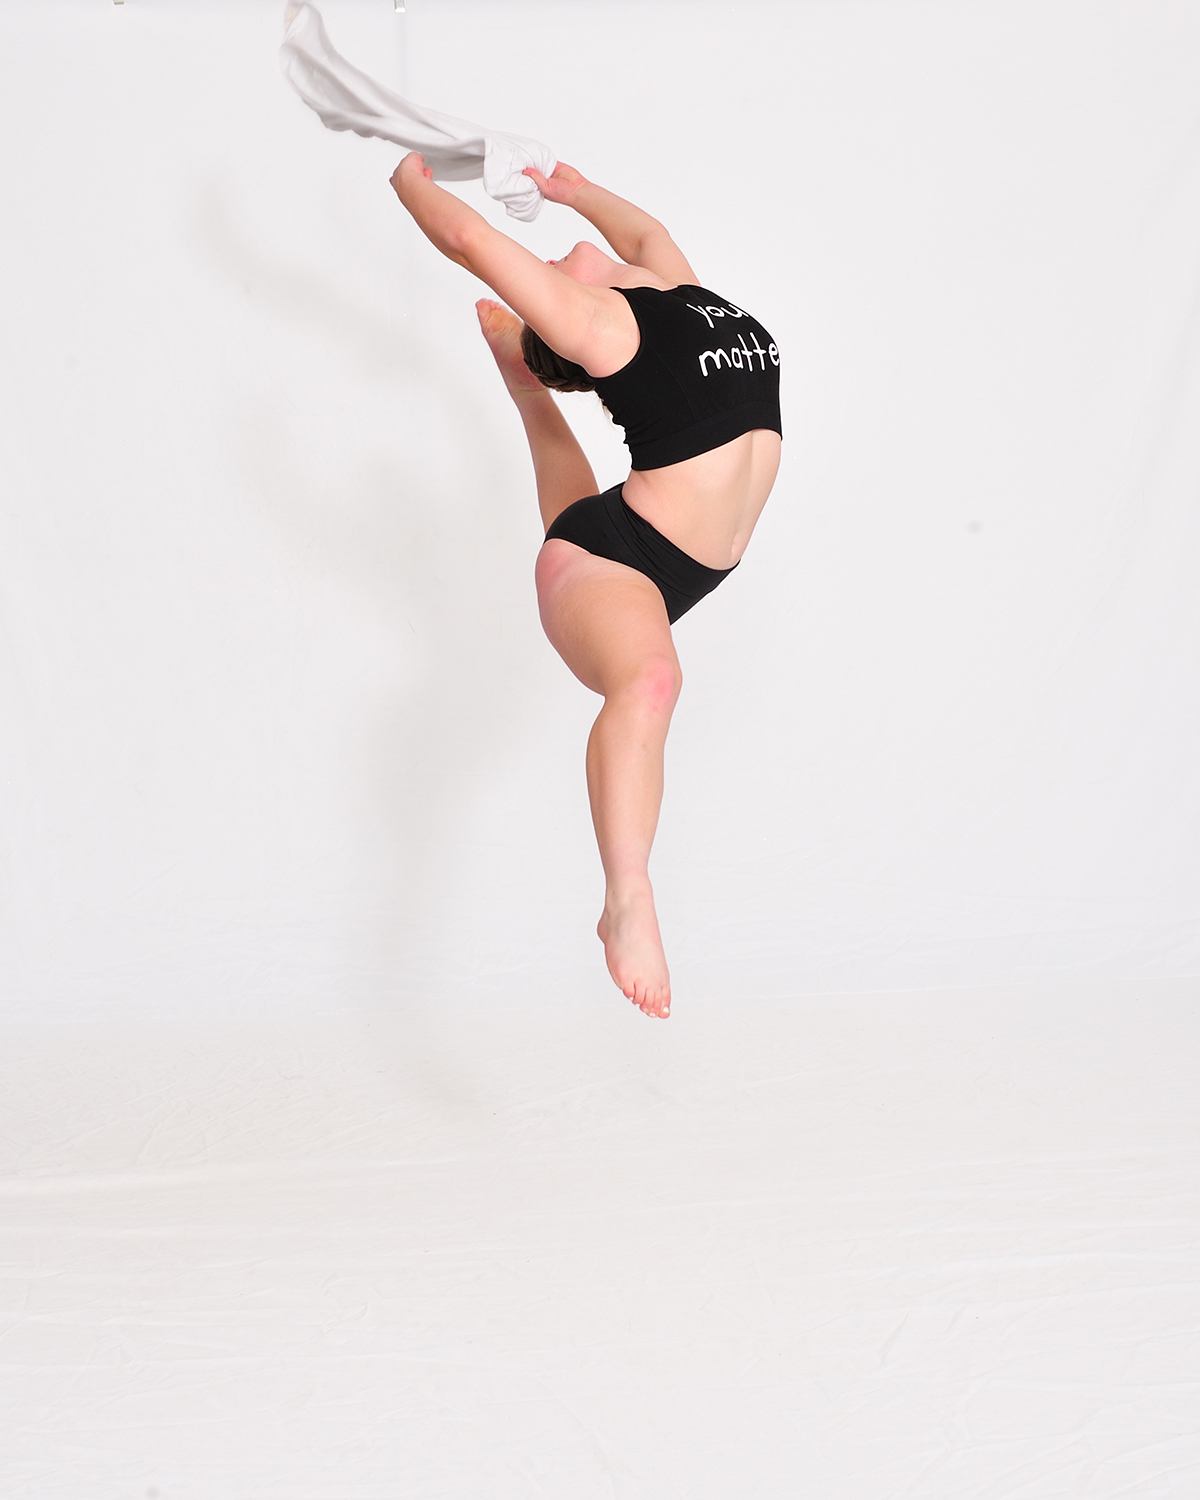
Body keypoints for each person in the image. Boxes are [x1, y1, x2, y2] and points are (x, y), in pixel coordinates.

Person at [390, 153, 782, 1020]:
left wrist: (571, 189)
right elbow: (469, 239)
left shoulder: (674, 291)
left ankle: (522, 381)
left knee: (588, 527)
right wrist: (410, 174)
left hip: (668, 561)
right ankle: (627, 900)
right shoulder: (602, 326)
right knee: (652, 681)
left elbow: (645, 233)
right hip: (610, 564)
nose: (550, 256)